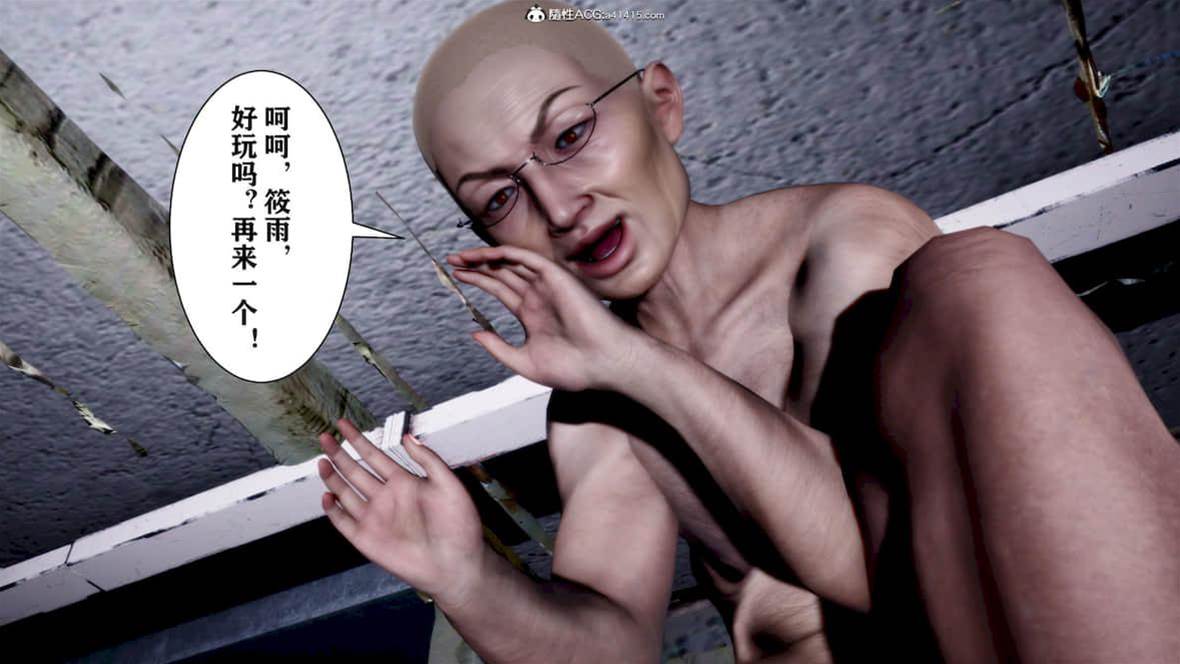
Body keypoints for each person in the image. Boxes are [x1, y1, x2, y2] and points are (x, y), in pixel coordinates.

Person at [315, 2, 1180, 661]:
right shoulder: (595, 404)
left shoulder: (842, 248)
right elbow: (607, 649)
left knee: (981, 278)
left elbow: (875, 565)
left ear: (661, 104)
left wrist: (639, 367)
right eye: (502, 197)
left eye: (571, 134)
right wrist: (466, 576)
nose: (559, 206)